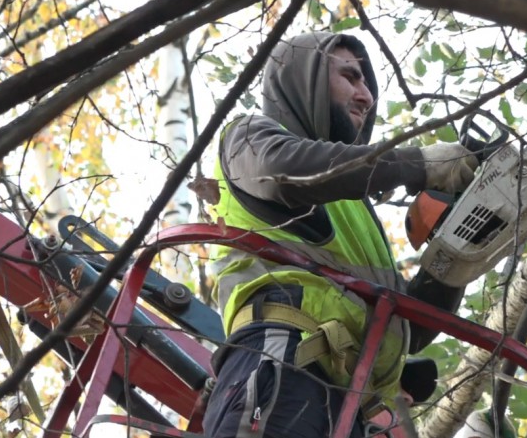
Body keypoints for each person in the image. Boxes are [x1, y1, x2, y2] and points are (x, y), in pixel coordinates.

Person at [203, 31, 479, 437]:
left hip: (348, 404)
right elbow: (286, 174)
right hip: (284, 363)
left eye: (366, 82)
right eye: (350, 77)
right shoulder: (249, 139)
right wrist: (418, 163)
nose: (365, 96)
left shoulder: (353, 208)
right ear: (303, 80)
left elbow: (406, 330)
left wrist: (455, 257)